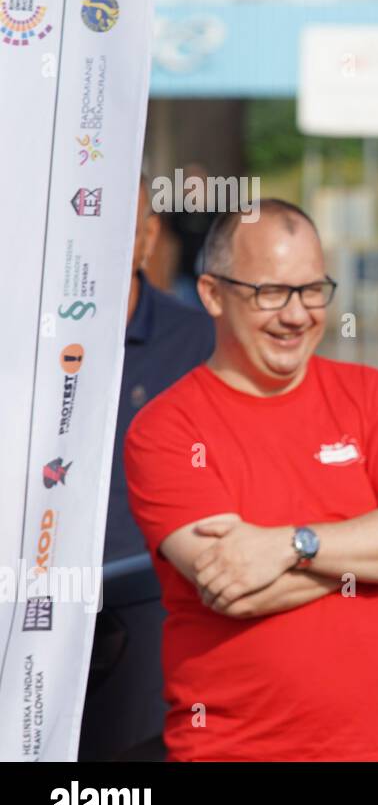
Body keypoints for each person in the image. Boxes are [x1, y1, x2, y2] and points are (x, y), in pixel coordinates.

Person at [124, 198, 378, 761]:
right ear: (211, 294)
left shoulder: (376, 398)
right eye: (271, 292)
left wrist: (291, 544)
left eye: (311, 290)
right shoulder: (167, 428)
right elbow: (234, 587)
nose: (297, 314)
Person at [104, 176, 215, 564]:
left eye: (120, 231)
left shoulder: (198, 340)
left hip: (157, 582)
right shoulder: (22, 338)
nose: (102, 249)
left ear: (149, 237)